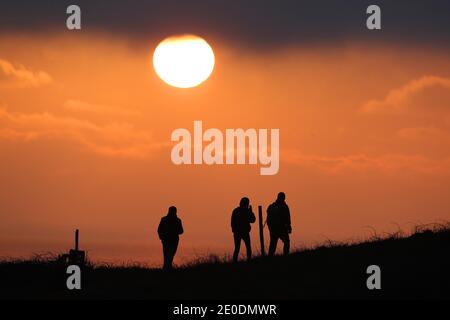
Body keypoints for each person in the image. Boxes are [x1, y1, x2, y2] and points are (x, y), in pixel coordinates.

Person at [157, 206, 184, 270]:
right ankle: (167, 268)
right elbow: (159, 229)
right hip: (169, 240)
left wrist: (162, 237)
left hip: (170, 240)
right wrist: (161, 237)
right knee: (169, 254)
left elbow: (181, 231)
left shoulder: (165, 219)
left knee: (168, 255)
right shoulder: (177, 220)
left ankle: (167, 268)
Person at [231, 197, 256, 262]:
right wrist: (250, 212)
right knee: (248, 248)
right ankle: (249, 261)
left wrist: (234, 230)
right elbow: (253, 220)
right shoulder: (246, 211)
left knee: (237, 248)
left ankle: (234, 262)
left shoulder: (235, 211)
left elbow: (232, 222)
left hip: (238, 232)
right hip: (244, 232)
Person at [267, 192, 292, 256]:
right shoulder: (284, 206)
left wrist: (270, 228)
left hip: (273, 228)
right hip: (281, 228)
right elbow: (287, 217)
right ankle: (285, 256)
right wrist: (289, 226)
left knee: (273, 244)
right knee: (286, 242)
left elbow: (268, 219)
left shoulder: (272, 206)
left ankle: (269, 258)